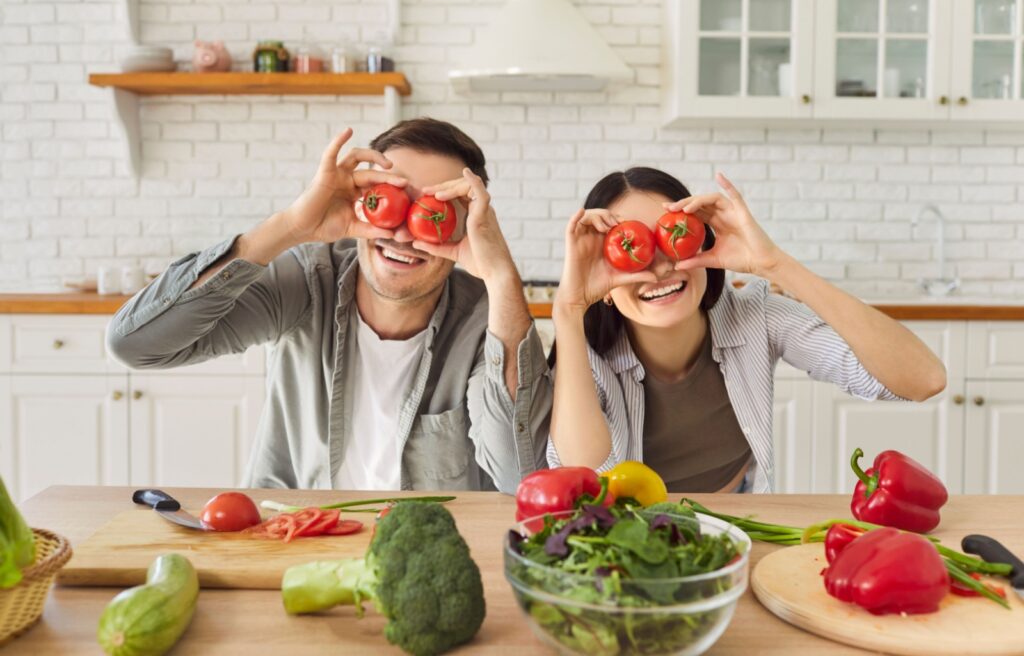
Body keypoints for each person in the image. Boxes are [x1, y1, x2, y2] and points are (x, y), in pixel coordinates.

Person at [107, 118, 551, 494]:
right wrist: (291, 225)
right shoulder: (305, 282)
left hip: (433, 555)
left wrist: (502, 278)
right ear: (361, 200)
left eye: (433, 212)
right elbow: (134, 345)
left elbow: (522, 477)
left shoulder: (484, 320)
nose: (401, 233)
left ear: (464, 227)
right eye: (389, 203)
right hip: (294, 542)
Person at [547, 167, 946, 494]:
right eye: (632, 250)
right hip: (630, 531)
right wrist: (567, 310)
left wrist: (774, 264)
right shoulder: (588, 357)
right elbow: (584, 472)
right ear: (606, 289)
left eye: (673, 237)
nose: (660, 268)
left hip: (739, 519)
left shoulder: (756, 318)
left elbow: (923, 379)